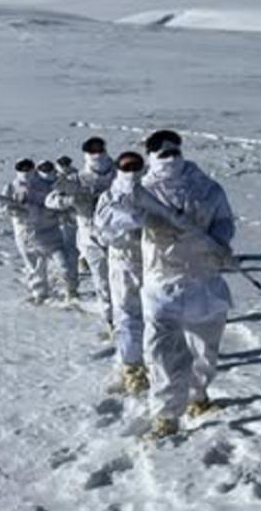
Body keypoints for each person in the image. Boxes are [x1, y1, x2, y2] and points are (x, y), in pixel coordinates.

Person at [131, 130, 236, 439]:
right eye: (162, 153)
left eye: (174, 151)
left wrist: (219, 242)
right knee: (161, 355)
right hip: (162, 287)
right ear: (150, 156)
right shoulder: (139, 191)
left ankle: (197, 396)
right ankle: (166, 416)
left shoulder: (206, 187)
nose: (171, 158)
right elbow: (111, 222)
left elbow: (224, 219)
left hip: (205, 284)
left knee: (205, 351)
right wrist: (145, 222)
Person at [94, 151, 151, 395]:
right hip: (124, 262)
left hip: (155, 262)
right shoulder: (109, 197)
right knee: (128, 316)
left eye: (136, 166)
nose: (131, 172)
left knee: (159, 315)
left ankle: (159, 361)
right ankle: (132, 368)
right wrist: (129, 222)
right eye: (126, 167)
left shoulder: (153, 193)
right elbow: (102, 232)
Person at [46, 137, 116, 329]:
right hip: (91, 238)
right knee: (103, 283)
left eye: (99, 149)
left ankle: (131, 321)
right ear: (86, 154)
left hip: (121, 237)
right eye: (92, 150)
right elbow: (50, 200)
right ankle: (111, 322)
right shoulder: (77, 179)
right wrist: (71, 201)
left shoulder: (120, 173)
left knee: (127, 281)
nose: (97, 154)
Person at [0, 158, 78, 303]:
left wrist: (59, 213)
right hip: (25, 234)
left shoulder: (44, 184)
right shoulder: (11, 187)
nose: (25, 170)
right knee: (34, 267)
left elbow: (56, 200)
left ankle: (71, 290)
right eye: (22, 167)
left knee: (63, 263)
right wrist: (13, 211)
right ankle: (40, 294)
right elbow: (2, 209)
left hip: (49, 232)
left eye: (28, 167)